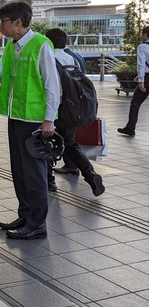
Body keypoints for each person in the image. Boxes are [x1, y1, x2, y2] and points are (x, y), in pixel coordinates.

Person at [0, 1, 60, 240]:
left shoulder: (41, 45)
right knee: (19, 170)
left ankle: (37, 224)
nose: (1, 27)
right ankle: (25, 215)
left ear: (18, 22)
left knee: (35, 173)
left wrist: (49, 119)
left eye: (4, 22)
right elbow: (2, 79)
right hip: (15, 116)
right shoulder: (11, 47)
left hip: (35, 122)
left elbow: (52, 85)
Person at [44, 28, 105, 196]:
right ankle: (90, 173)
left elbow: (50, 87)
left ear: (47, 42)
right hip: (73, 109)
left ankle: (49, 181)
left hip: (56, 108)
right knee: (70, 143)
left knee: (47, 143)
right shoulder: (73, 59)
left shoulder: (49, 58)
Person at [118, 25, 149, 137]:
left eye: (142, 34)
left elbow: (141, 64)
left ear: (146, 35)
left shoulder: (143, 47)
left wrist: (141, 80)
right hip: (146, 76)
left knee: (135, 103)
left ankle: (130, 128)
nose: (141, 36)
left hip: (147, 78)